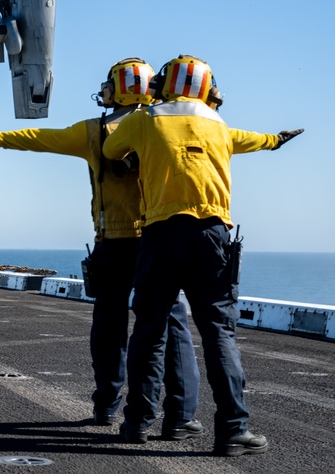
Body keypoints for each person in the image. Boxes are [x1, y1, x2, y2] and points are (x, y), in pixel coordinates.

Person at [0, 57, 201, 438]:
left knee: (109, 325)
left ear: (118, 88)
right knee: (172, 325)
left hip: (113, 243)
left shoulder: (95, 131)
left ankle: (106, 405)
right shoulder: (166, 126)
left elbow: (37, 139)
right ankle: (180, 416)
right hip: (158, 241)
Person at [102, 55, 303, 457]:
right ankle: (232, 430)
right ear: (209, 89)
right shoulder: (220, 126)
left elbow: (110, 148)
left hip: (159, 235)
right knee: (219, 334)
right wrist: (277, 139)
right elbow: (257, 139)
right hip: (211, 235)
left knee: (149, 331)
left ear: (163, 86)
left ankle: (137, 423)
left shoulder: (146, 119)